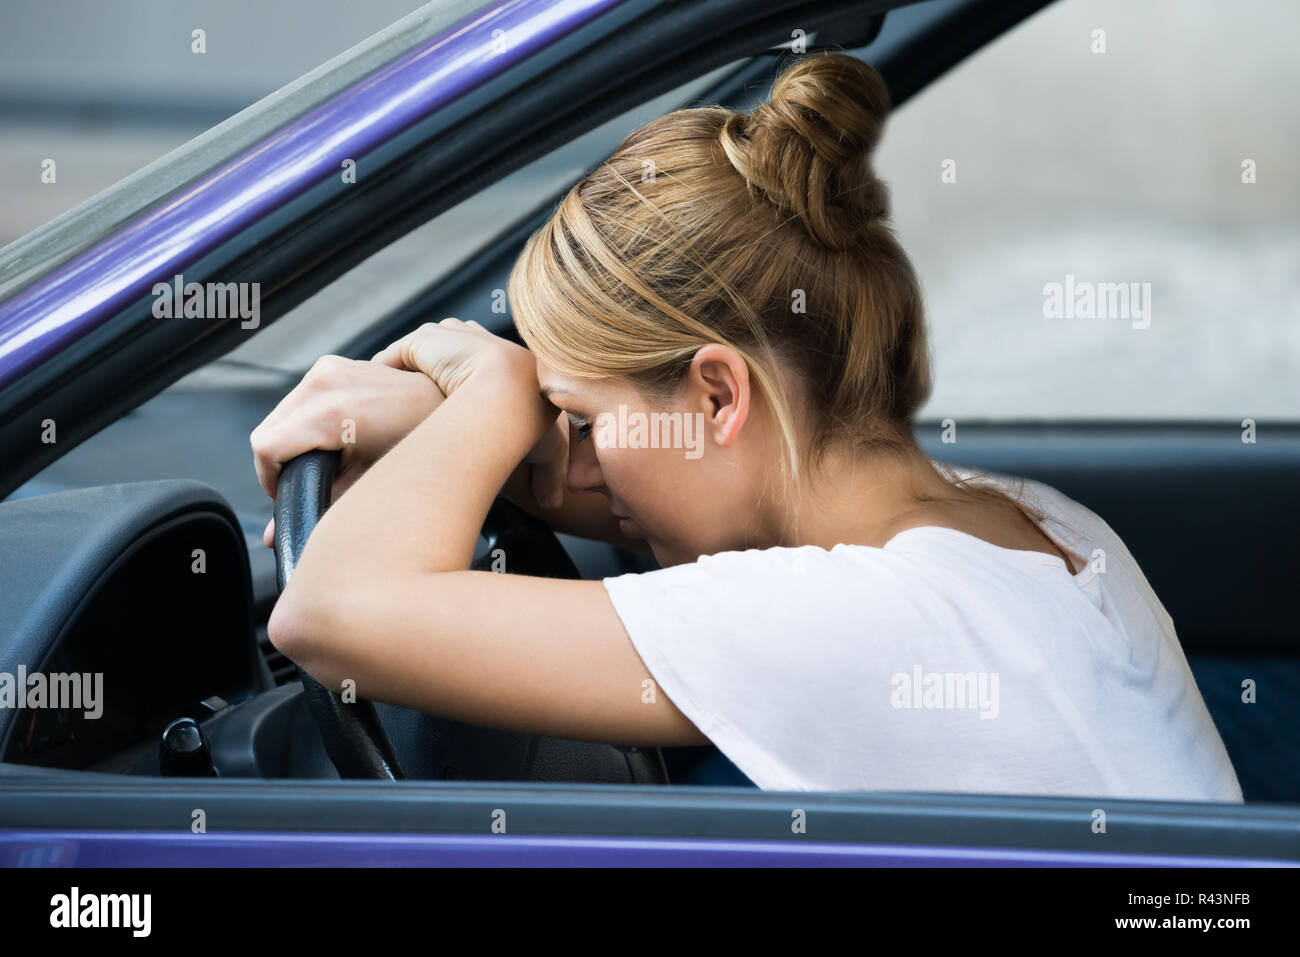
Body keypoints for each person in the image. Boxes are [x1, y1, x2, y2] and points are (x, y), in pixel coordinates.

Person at [251, 53, 1242, 801]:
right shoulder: (1031, 526)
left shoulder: (855, 621)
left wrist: (495, 398)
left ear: (719, 398)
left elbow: (327, 616)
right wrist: (503, 439)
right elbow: (664, 502)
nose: (578, 466)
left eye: (582, 420)